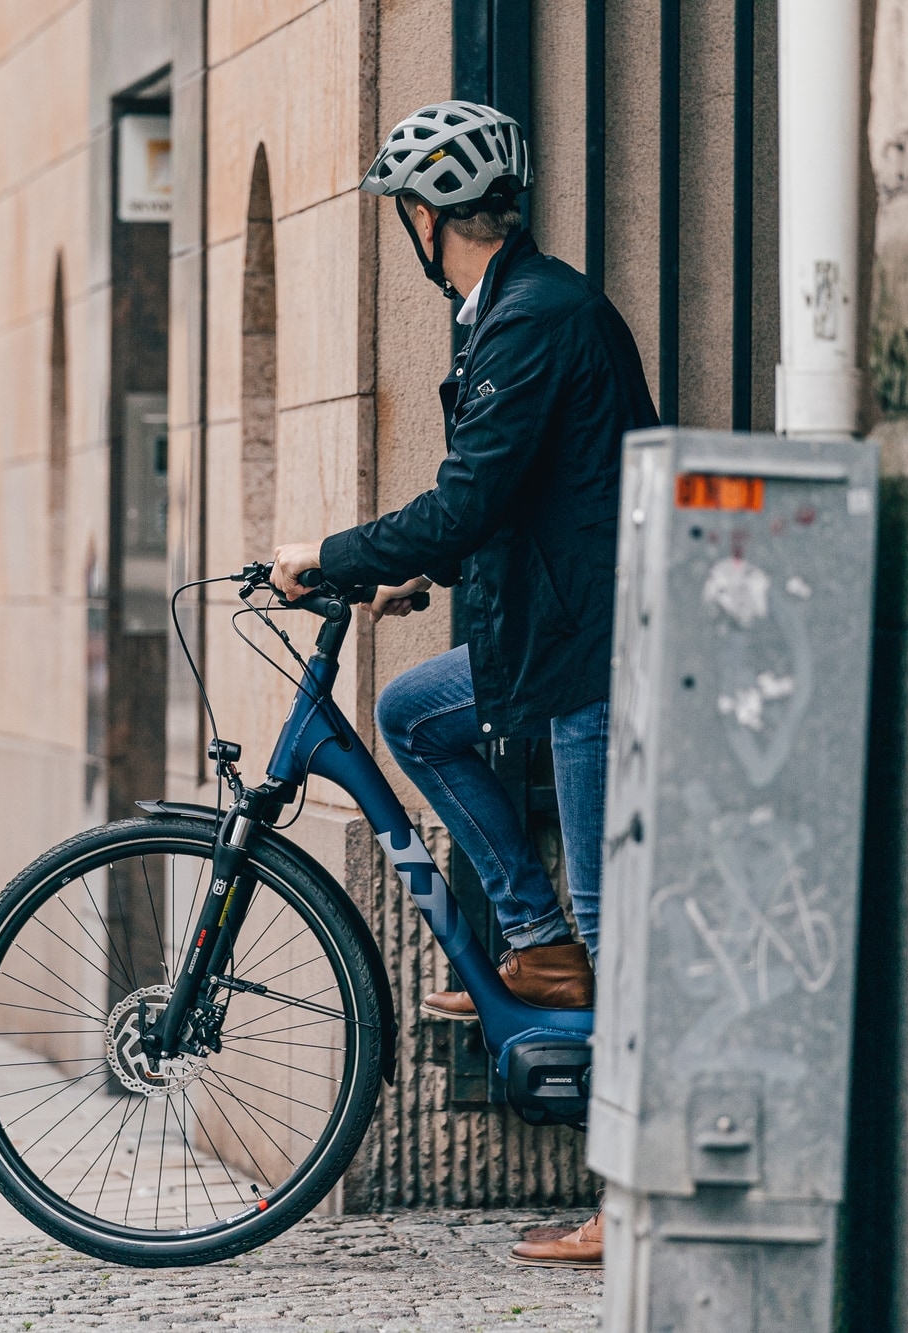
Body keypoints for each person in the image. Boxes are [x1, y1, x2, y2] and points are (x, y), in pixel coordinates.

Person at [270, 101, 657, 1269]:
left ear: (432, 219)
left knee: (615, 926)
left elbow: (474, 493)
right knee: (409, 713)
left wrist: (332, 559)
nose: (409, 234)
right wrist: (416, 575)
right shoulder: (510, 312)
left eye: (409, 214)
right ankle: (529, 939)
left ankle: (627, 1203)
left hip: (591, 652)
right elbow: (510, 498)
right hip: (543, 634)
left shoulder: (534, 319)